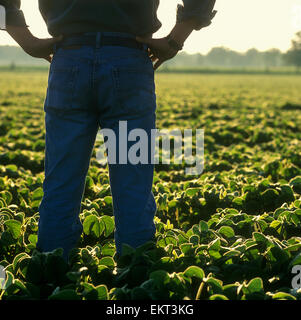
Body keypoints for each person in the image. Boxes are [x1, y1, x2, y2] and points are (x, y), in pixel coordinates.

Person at [0, 0, 217, 262]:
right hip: (129, 57)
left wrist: (26, 39)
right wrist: (175, 39)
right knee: (132, 181)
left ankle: (50, 272)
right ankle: (135, 278)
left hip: (70, 56)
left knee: (60, 181)